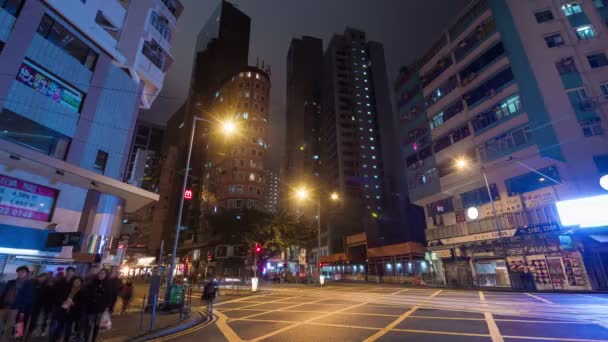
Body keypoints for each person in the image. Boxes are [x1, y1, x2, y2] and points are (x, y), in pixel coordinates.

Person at [0, 266, 33, 341]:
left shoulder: (28, 285)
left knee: (9, 326)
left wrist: (22, 311)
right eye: (19, 272)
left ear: (26, 274)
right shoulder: (11, 282)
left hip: (15, 308)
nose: (20, 273)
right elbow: (3, 293)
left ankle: (4, 340)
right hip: (3, 306)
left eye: (23, 272)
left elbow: (27, 298)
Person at [49, 277, 84, 342]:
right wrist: (63, 301)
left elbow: (82, 303)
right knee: (60, 326)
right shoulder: (67, 289)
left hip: (73, 312)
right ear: (73, 281)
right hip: (63, 310)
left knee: (68, 328)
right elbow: (60, 297)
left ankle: (66, 339)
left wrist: (74, 304)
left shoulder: (81, 292)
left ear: (81, 283)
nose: (77, 282)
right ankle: (55, 339)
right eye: (75, 281)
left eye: (79, 281)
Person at [83, 269, 110, 342]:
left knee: (96, 326)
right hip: (91, 308)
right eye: (100, 273)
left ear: (106, 275)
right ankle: (86, 339)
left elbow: (108, 297)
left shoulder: (107, 284)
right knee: (88, 325)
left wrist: (107, 306)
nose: (101, 275)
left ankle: (93, 339)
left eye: (103, 273)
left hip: (100, 309)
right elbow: (88, 294)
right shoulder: (93, 283)